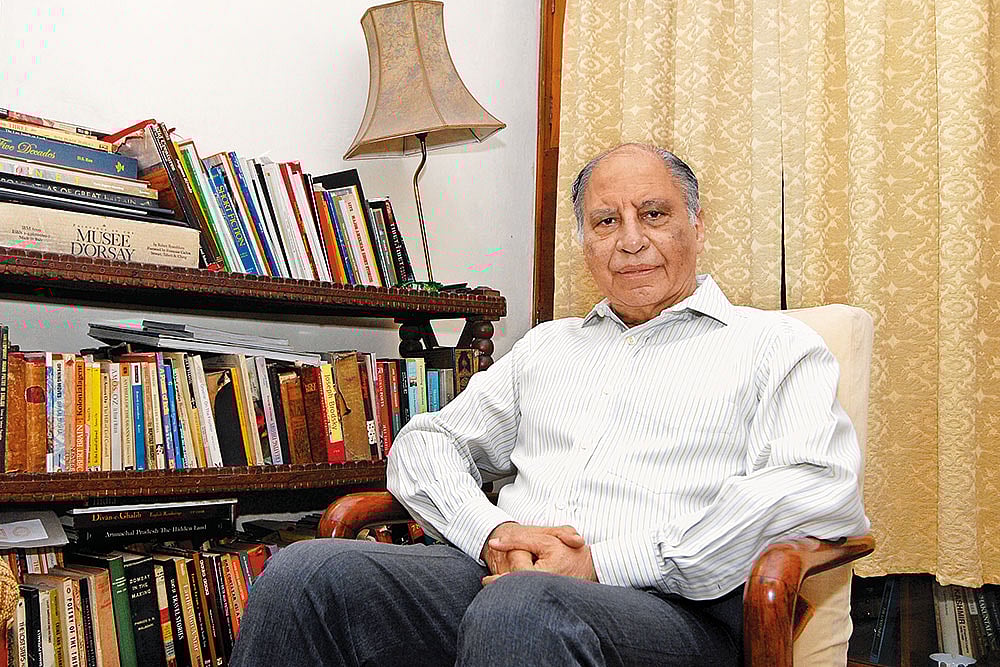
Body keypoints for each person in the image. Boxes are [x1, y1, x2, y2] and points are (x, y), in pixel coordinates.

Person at [230, 144, 869, 667]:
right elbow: (427, 443)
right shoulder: (548, 347)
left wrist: (601, 563)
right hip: (502, 583)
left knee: (522, 609)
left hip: (675, 610)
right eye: (606, 221)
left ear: (697, 227)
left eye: (653, 214)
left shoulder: (773, 346)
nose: (630, 240)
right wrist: (491, 533)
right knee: (304, 575)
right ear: (584, 242)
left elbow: (814, 487)